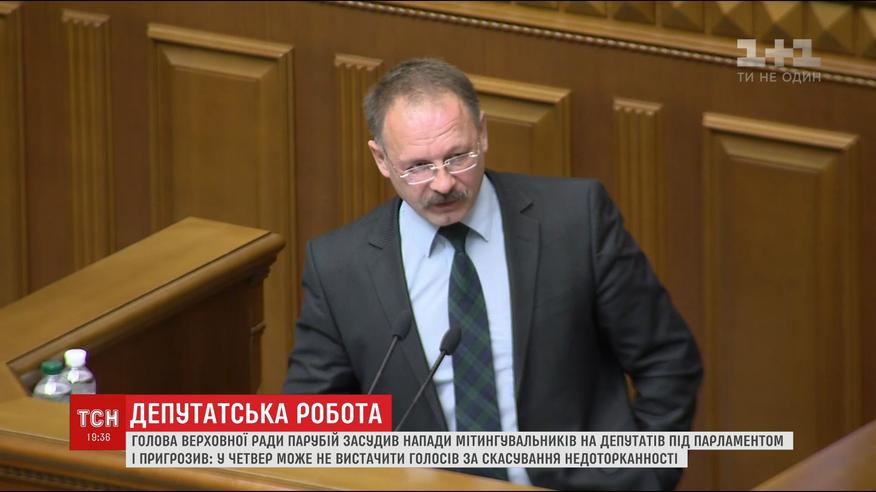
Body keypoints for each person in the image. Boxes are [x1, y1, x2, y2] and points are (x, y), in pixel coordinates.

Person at [284, 58, 702, 490]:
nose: (444, 183)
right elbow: (310, 422)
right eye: (419, 166)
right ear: (382, 159)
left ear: (482, 133)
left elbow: (667, 360)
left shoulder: (576, 221)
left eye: (457, 156)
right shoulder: (340, 266)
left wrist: (644, 479)